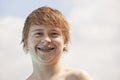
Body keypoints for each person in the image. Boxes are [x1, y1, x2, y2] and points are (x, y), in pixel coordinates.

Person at [21, 6, 92, 80]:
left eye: (54, 34)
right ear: (26, 42)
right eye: (38, 33)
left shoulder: (78, 77)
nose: (46, 39)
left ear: (65, 41)